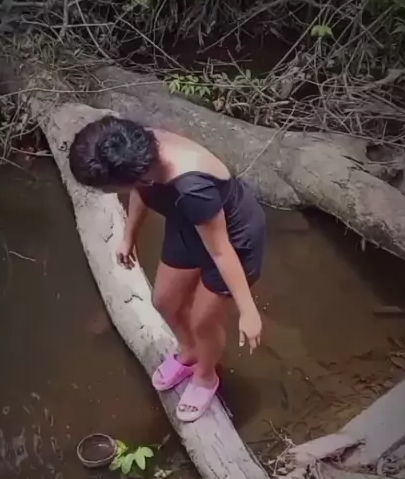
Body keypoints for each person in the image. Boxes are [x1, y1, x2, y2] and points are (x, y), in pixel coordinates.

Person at [69, 116, 266, 423]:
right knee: (164, 300)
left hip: (233, 239)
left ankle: (206, 376)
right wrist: (129, 235)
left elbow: (221, 251)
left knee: (203, 322)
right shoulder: (135, 151)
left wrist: (248, 311)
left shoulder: (192, 186)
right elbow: (140, 190)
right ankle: (189, 353)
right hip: (187, 222)